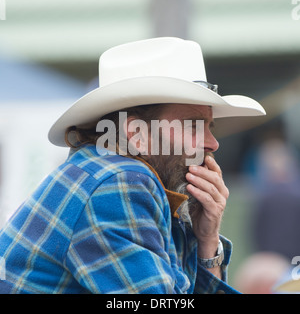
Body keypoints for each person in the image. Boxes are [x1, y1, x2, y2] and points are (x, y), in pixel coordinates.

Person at [0, 37, 265, 294]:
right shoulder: (120, 181)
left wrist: (207, 240)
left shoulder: (112, 173)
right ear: (137, 135)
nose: (212, 143)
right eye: (192, 125)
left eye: (209, 127)